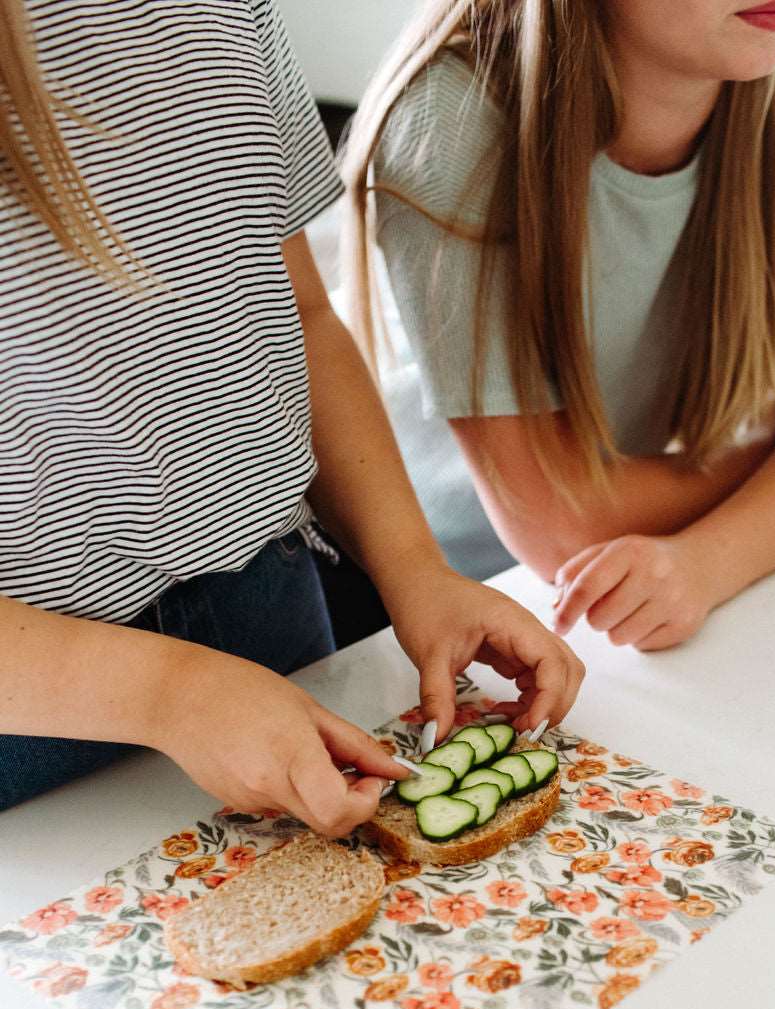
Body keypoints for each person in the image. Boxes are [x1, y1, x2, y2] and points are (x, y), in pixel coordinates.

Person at [0, 0, 583, 829]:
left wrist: (414, 568)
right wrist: (170, 693)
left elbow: (299, 316)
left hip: (271, 607)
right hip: (32, 711)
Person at [342, 0, 775, 652]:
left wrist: (707, 562)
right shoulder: (451, 115)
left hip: (613, 585)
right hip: (408, 612)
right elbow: (560, 527)